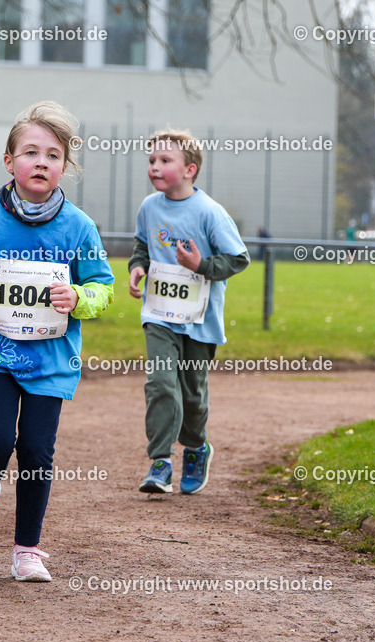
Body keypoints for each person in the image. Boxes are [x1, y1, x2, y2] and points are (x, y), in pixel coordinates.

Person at [0, 101, 114, 582]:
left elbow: (103, 287)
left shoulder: (79, 227)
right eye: (30, 152)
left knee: (36, 453)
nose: (41, 162)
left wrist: (78, 297)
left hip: (52, 361)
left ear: (65, 167)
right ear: (9, 161)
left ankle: (27, 550)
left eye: (53, 155)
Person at [128, 128, 249, 495]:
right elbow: (142, 245)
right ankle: (160, 462)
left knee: (192, 395)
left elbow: (238, 258)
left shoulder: (210, 212)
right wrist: (138, 266)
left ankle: (196, 448)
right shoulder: (149, 207)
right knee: (161, 384)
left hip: (200, 321)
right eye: (151, 160)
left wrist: (201, 266)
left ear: (189, 169)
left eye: (165, 160)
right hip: (159, 315)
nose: (154, 166)